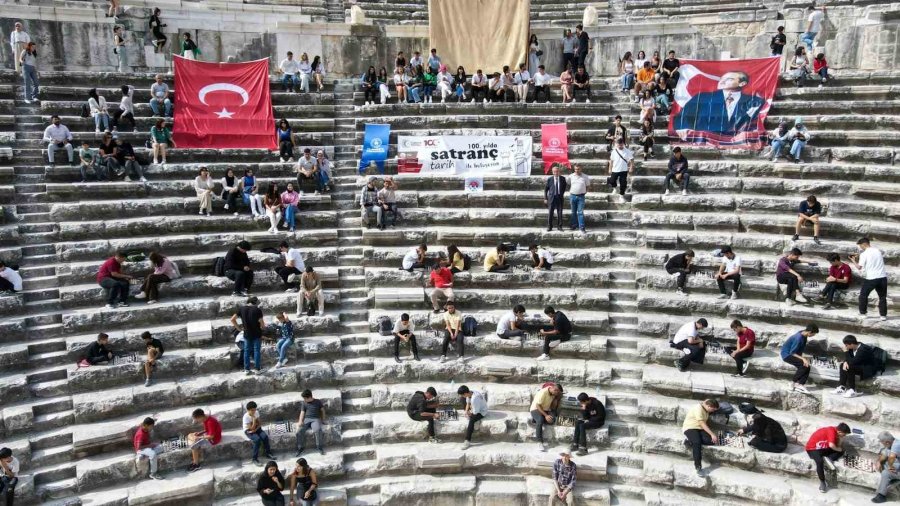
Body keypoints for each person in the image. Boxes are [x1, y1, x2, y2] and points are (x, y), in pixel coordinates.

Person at [673, 70, 765, 136]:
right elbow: (682, 117)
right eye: (722, 78)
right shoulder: (702, 98)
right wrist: (683, 130)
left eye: (729, 79)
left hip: (736, 143)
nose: (722, 81)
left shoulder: (755, 101)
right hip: (705, 142)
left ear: (742, 83)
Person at [849, 237, 888, 321]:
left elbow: (859, 267)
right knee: (882, 297)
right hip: (882, 277)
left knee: (863, 295)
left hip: (871, 278)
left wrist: (853, 260)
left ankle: (863, 313)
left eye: (860, 246)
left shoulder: (864, 254)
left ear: (864, 244)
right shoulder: (878, 251)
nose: (860, 248)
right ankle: (883, 316)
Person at [806, 422, 849, 493]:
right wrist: (839, 449)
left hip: (822, 448)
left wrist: (840, 440)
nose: (844, 436)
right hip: (812, 449)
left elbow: (837, 446)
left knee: (841, 451)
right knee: (819, 462)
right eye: (844, 434)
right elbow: (832, 445)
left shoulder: (837, 433)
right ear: (840, 431)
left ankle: (829, 458)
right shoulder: (831, 431)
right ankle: (822, 482)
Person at [683, 399, 720, 476]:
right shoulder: (698, 408)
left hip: (699, 429)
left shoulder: (705, 407)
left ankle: (690, 441)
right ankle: (698, 466)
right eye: (712, 409)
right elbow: (702, 423)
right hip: (690, 428)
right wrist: (712, 434)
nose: (712, 411)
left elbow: (707, 401)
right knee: (697, 443)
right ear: (708, 406)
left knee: (712, 441)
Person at [780, 324, 818, 394]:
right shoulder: (798, 338)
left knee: (807, 366)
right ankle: (792, 383)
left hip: (792, 354)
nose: (813, 336)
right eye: (813, 334)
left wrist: (803, 359)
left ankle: (800, 385)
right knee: (803, 366)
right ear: (809, 332)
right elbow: (792, 352)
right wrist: (803, 359)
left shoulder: (803, 333)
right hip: (786, 355)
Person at [232, 296, 265, 374]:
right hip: (257, 334)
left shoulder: (241, 309)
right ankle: (257, 369)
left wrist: (238, 328)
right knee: (256, 351)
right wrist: (263, 327)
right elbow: (262, 325)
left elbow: (232, 319)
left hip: (247, 334)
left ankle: (246, 369)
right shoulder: (257, 310)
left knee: (246, 351)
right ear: (255, 302)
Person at [295, 389, 327, 455]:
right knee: (299, 431)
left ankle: (319, 447)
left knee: (318, 430)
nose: (304, 400)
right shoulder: (304, 403)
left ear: (309, 397)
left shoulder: (318, 402)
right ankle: (300, 448)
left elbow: (322, 411)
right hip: (307, 419)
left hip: (315, 419)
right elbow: (302, 413)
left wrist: (323, 420)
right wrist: (300, 421)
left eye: (305, 398)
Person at [530, 383, 561, 451]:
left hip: (545, 409)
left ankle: (536, 419)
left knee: (552, 420)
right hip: (536, 409)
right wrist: (546, 416)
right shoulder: (543, 392)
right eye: (557, 392)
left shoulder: (553, 393)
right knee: (540, 420)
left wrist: (556, 399)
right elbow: (538, 405)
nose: (557, 394)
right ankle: (539, 442)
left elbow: (552, 407)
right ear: (554, 389)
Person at [244, 401, 275, 466]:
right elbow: (251, 428)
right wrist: (254, 420)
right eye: (252, 410)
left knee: (264, 437)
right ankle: (254, 459)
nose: (254, 412)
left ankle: (268, 453)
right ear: (248, 410)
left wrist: (256, 428)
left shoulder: (256, 412)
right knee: (257, 440)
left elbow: (260, 424)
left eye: (255, 410)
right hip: (248, 430)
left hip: (256, 428)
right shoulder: (246, 417)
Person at [872, 432, 900, 503]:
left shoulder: (897, 445)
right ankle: (890, 480)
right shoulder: (890, 445)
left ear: (887, 442)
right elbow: (884, 455)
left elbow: (892, 456)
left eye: (882, 443)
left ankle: (881, 495)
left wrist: (890, 466)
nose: (882, 444)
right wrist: (878, 461)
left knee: (885, 473)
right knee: (882, 464)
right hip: (896, 470)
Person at [457, 385, 487, 450]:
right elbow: (468, 403)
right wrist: (466, 411)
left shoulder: (474, 399)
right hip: (476, 407)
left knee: (471, 420)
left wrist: (469, 413)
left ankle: (467, 440)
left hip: (482, 412)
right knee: (463, 400)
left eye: (462, 395)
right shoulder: (471, 392)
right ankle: (468, 411)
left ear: (465, 393)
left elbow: (475, 413)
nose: (462, 396)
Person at [566, 164, 590, 233]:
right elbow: (568, 184)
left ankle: (582, 227)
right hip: (572, 196)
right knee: (573, 212)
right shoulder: (571, 176)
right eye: (576, 169)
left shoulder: (585, 176)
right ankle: (574, 225)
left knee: (580, 212)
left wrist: (585, 192)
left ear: (581, 169)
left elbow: (588, 186)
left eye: (578, 169)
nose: (577, 170)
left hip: (581, 196)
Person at [544, 164, 567, 231]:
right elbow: (546, 189)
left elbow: (564, 187)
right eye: (554, 172)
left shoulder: (563, 178)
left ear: (559, 172)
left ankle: (559, 226)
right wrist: (545, 198)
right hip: (551, 198)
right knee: (550, 212)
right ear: (552, 172)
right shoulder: (550, 179)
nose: (556, 173)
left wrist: (561, 193)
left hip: (559, 197)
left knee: (560, 212)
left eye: (557, 171)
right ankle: (549, 226)